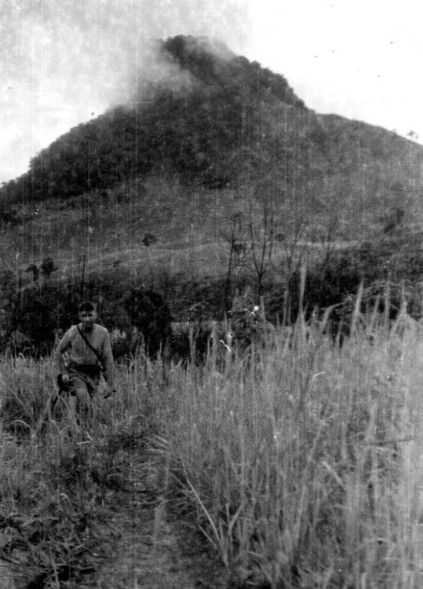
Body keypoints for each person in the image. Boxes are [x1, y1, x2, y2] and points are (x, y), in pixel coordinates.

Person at [55, 301, 114, 423]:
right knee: (83, 398)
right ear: (79, 317)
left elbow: (108, 358)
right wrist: (64, 372)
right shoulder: (73, 332)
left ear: (96, 315)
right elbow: (58, 351)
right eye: (84, 316)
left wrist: (110, 384)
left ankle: (85, 430)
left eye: (90, 315)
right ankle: (81, 433)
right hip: (76, 372)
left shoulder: (103, 333)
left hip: (94, 375)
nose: (87, 319)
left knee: (95, 407)